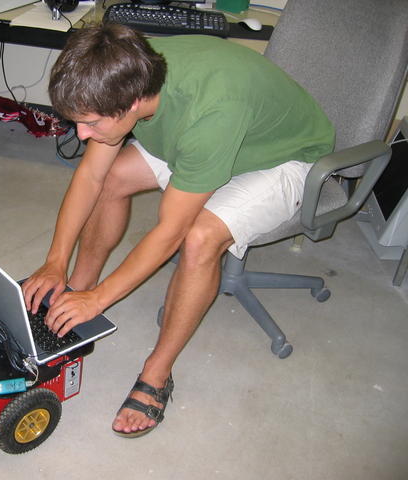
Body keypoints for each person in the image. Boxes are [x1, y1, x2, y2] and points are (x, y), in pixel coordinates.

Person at [21, 24, 335, 438]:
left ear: (134, 103)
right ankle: (78, 288)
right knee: (112, 178)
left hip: (284, 157)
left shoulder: (212, 113)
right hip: (207, 138)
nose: (82, 134)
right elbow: (91, 176)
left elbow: (170, 231)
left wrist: (100, 301)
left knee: (200, 237)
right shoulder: (122, 68)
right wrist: (55, 262)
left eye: (92, 123)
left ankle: (157, 372)